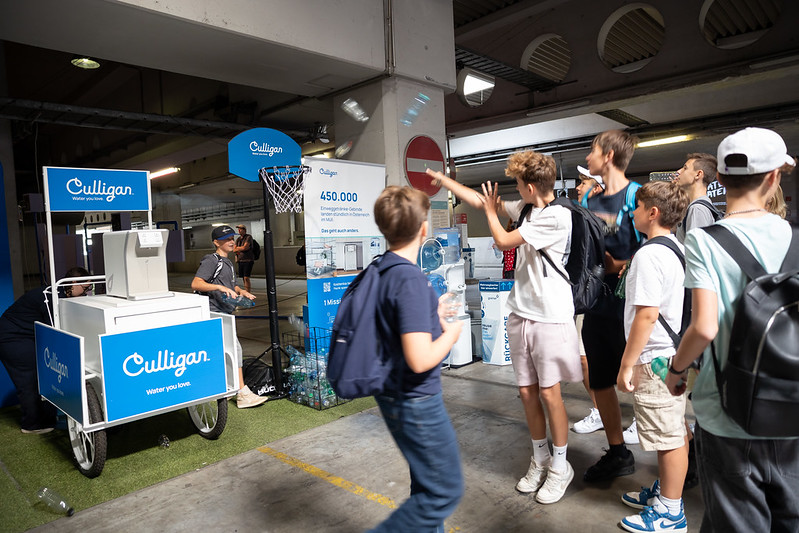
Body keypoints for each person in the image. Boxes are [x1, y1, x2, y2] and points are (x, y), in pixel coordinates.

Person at [428, 151, 582, 505]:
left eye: (517, 184)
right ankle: (539, 459)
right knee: (527, 393)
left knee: (549, 394)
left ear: (529, 187)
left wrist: (490, 213)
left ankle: (560, 466)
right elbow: (485, 201)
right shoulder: (527, 209)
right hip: (521, 314)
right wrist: (443, 180)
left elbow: (502, 240)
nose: (513, 191)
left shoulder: (557, 217)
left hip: (550, 317)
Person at [666, 127, 798, 532]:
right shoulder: (794, 236)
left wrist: (676, 371)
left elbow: (704, 326)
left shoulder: (704, 241)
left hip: (727, 410)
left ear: (719, 179)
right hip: (791, 404)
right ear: (775, 177)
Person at [369, 185, 464, 532]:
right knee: (444, 491)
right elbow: (421, 359)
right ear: (424, 228)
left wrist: (428, 312)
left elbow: (393, 324)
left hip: (393, 392)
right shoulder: (409, 279)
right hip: (416, 399)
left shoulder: (382, 268)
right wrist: (451, 334)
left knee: (426, 485)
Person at [616, 181, 691, 532]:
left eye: (637, 206)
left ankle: (670, 512)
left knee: (669, 437)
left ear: (653, 212)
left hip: (654, 357)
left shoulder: (649, 254)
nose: (632, 212)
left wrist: (627, 363)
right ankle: (666, 492)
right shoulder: (673, 246)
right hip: (669, 355)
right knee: (673, 430)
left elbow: (647, 314)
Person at [581, 129, 642, 482]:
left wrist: (622, 265)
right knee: (601, 381)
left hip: (630, 307)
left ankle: (687, 450)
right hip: (597, 304)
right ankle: (618, 452)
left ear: (607, 156)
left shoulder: (637, 196)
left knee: (648, 383)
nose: (587, 157)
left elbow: (658, 247)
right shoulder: (591, 199)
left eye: (592, 150)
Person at [0, 267, 91, 434]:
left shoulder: (63, 294)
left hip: (29, 335)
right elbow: (55, 331)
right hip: (12, 337)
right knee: (29, 379)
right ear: (73, 283)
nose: (87, 293)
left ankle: (49, 420)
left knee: (44, 376)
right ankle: (32, 425)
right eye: (86, 289)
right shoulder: (50, 297)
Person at [192, 225, 266, 409]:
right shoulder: (211, 260)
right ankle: (242, 393)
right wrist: (219, 287)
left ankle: (225, 388)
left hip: (224, 312)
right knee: (235, 349)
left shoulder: (229, 263)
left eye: (232, 238)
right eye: (226, 240)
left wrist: (242, 292)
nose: (231, 242)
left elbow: (231, 286)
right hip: (214, 313)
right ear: (216, 242)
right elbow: (196, 283)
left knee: (224, 352)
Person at [572, 164, 605, 435]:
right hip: (586, 297)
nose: (578, 187)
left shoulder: (612, 216)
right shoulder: (578, 216)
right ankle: (599, 410)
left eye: (583, 182)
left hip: (610, 297)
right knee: (584, 359)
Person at [673, 153, 720, 243]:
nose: (679, 171)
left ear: (698, 174)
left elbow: (697, 253)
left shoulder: (697, 209)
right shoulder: (697, 207)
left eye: (685, 168)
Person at [233, 224, 255, 294]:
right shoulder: (238, 239)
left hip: (248, 260)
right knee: (243, 277)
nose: (239, 230)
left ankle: (248, 292)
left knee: (246, 277)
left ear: (244, 230)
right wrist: (241, 248)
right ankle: (246, 291)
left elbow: (245, 247)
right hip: (240, 260)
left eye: (241, 229)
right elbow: (234, 249)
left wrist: (238, 248)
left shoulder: (248, 237)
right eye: (238, 229)